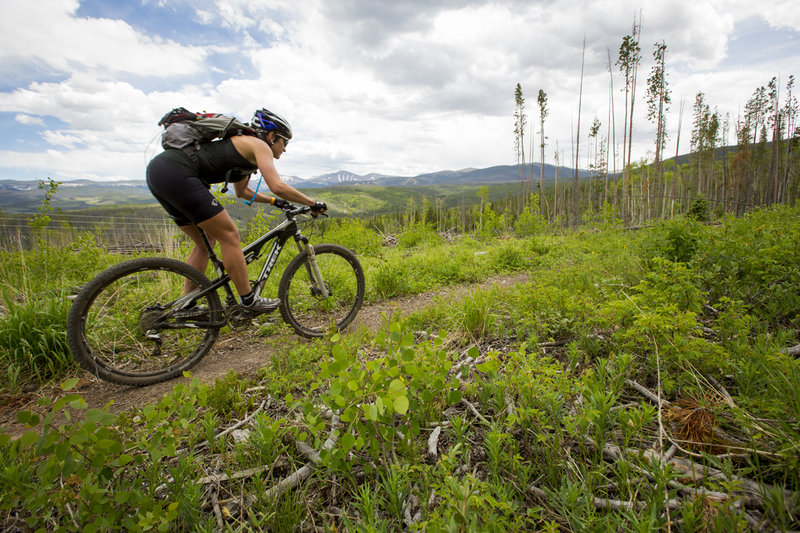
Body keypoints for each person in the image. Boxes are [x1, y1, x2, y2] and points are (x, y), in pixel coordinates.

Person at [146, 108, 326, 312]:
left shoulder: (243, 151)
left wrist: (274, 202)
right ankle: (248, 300)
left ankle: (187, 304)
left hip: (160, 172)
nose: (284, 149)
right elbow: (278, 186)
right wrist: (313, 203)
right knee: (230, 236)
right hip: (178, 173)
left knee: (206, 243)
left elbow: (243, 192)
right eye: (285, 142)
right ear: (271, 136)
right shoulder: (259, 145)